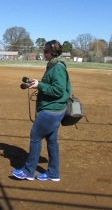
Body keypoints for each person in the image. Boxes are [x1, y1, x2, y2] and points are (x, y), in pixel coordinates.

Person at [12, 40, 70, 181]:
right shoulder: (54, 65)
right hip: (54, 109)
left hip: (52, 110)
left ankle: (28, 171)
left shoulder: (57, 67)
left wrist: (41, 86)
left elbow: (58, 90)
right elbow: (52, 85)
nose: (43, 54)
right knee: (52, 141)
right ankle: (53, 173)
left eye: (45, 51)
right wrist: (39, 83)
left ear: (52, 53)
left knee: (36, 137)